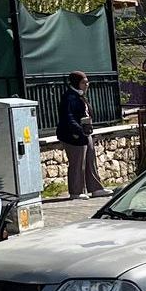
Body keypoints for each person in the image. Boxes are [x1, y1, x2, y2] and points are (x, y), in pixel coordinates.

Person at [56, 71, 110, 200]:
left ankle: (95, 188)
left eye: (87, 82)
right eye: (83, 82)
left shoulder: (80, 95)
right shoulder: (69, 97)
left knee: (90, 160)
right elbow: (68, 117)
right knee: (77, 163)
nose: (87, 84)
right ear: (76, 83)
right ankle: (76, 191)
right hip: (73, 135)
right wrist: (78, 131)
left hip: (85, 132)